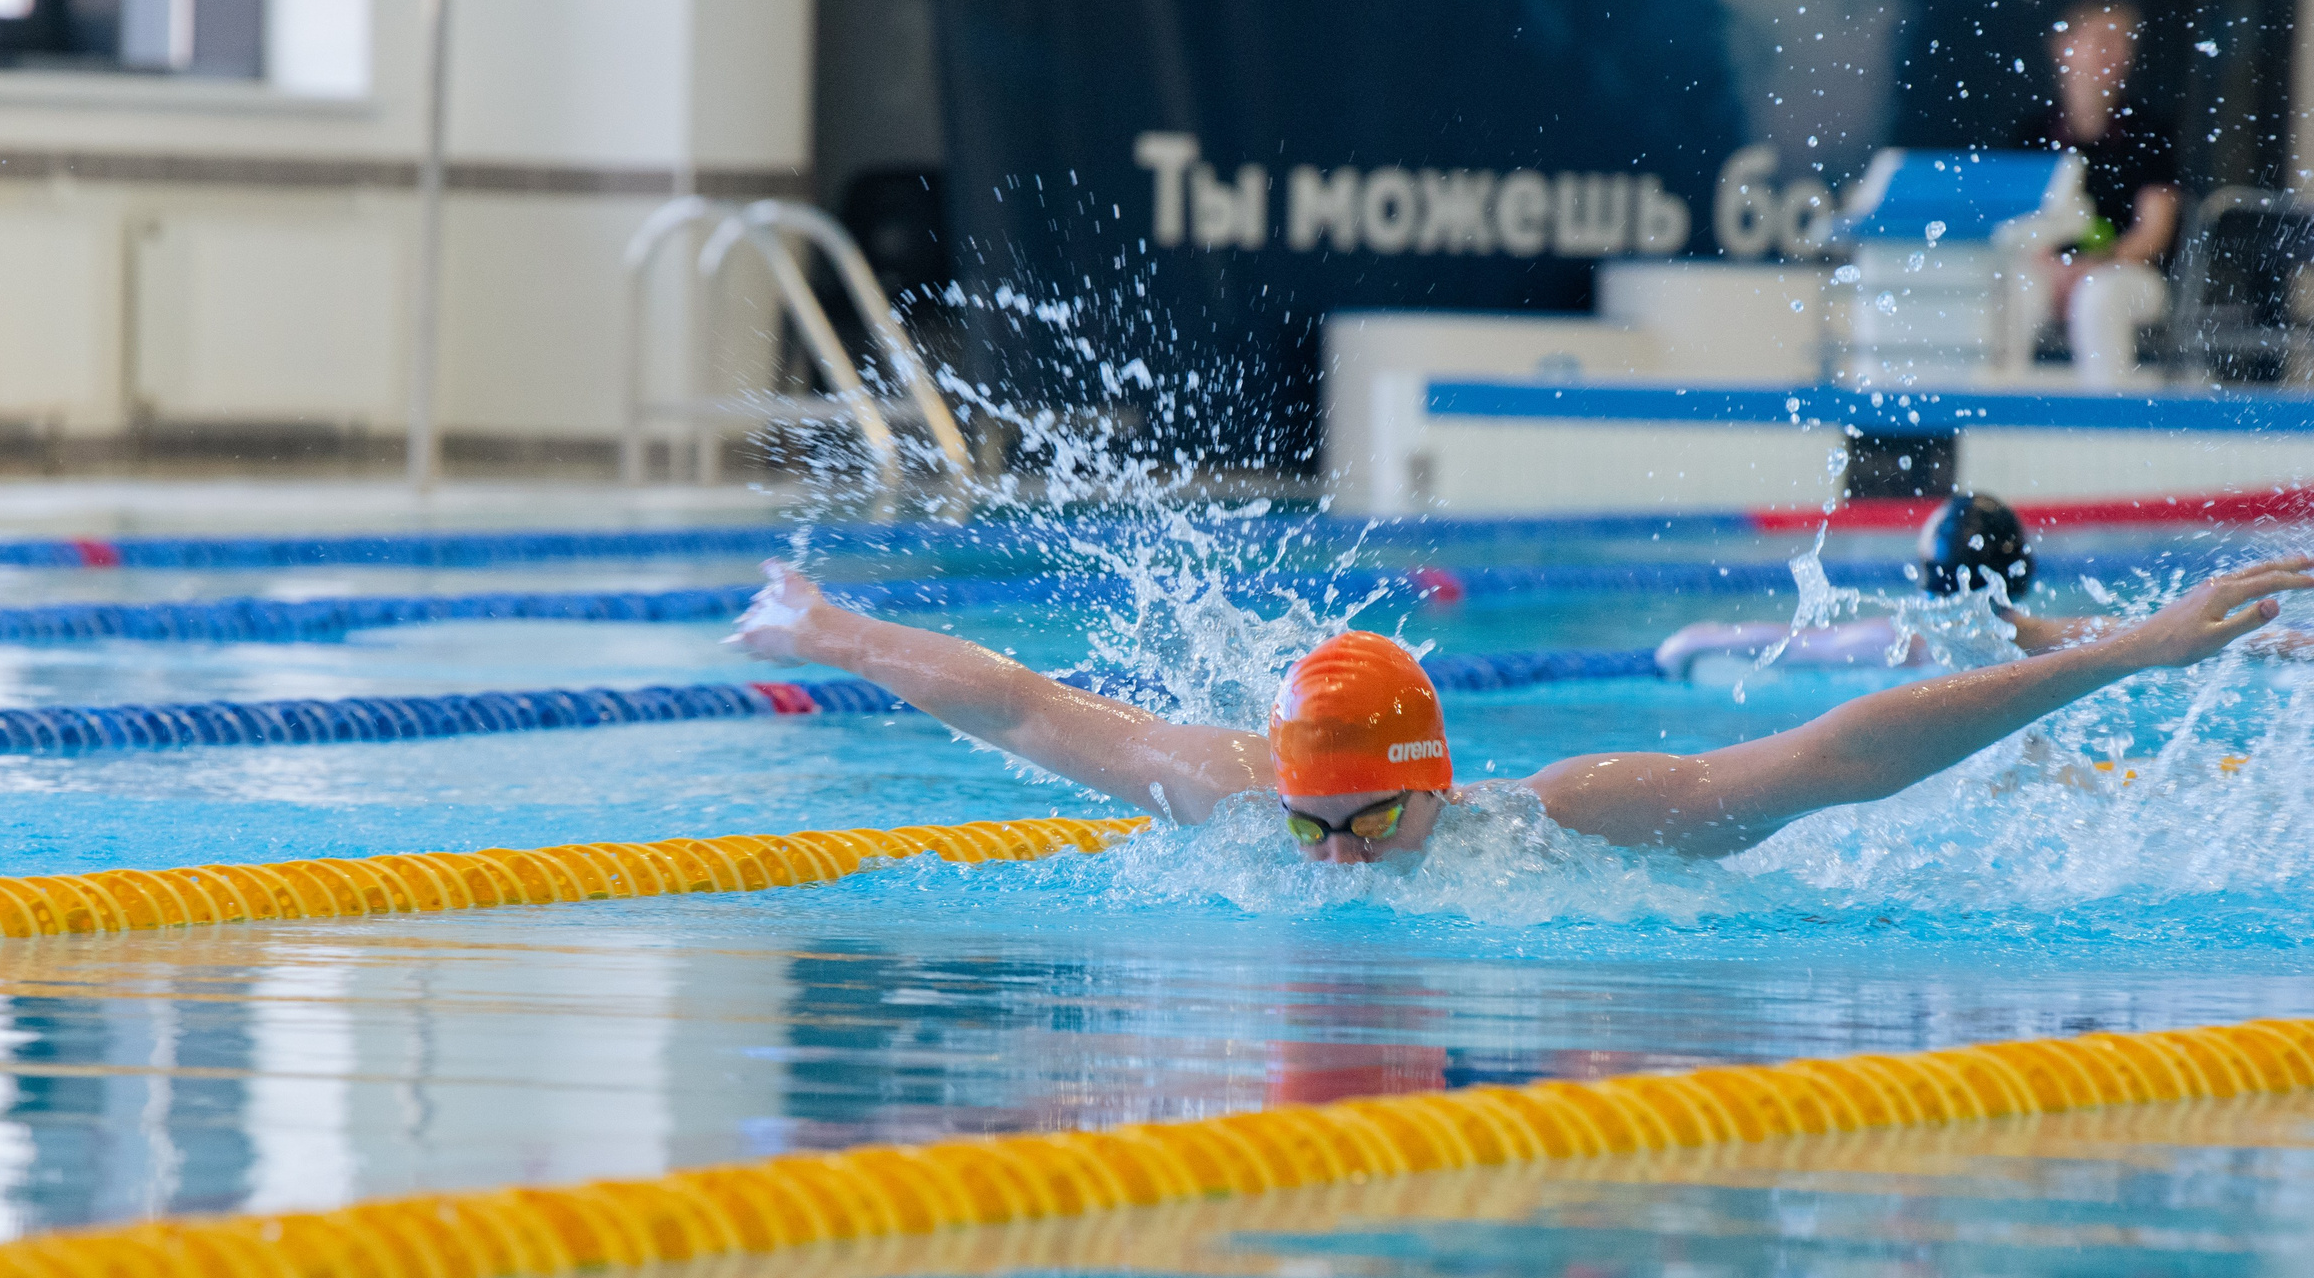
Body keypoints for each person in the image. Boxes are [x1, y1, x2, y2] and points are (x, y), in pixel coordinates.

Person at [729, 551, 2312, 862]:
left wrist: (2118, 655)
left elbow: (1833, 756)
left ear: (1431, 781)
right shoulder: (1255, 803)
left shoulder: (1570, 818)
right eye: (1312, 820)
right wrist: (837, 624)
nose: (1333, 855)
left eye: (1365, 822)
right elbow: (1025, 708)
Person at [1656, 491, 2314, 679]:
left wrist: (1692, 641)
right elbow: (2179, 638)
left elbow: (1788, 644)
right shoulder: (2053, 636)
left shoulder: (1900, 641)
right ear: (2022, 572)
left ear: (1925, 573)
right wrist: (2294, 641)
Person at [2012, 0, 2182, 385]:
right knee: (2014, 289)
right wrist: (2052, 266)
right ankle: (1999, 410)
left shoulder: (2149, 134)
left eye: (2125, 44)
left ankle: (2109, 427)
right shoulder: (2032, 136)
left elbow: (2154, 234)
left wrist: (2095, 263)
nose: (2116, 55)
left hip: (2129, 275)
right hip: (2048, 272)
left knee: (2098, 296)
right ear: (2064, 48)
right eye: (2103, 41)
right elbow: (2014, 230)